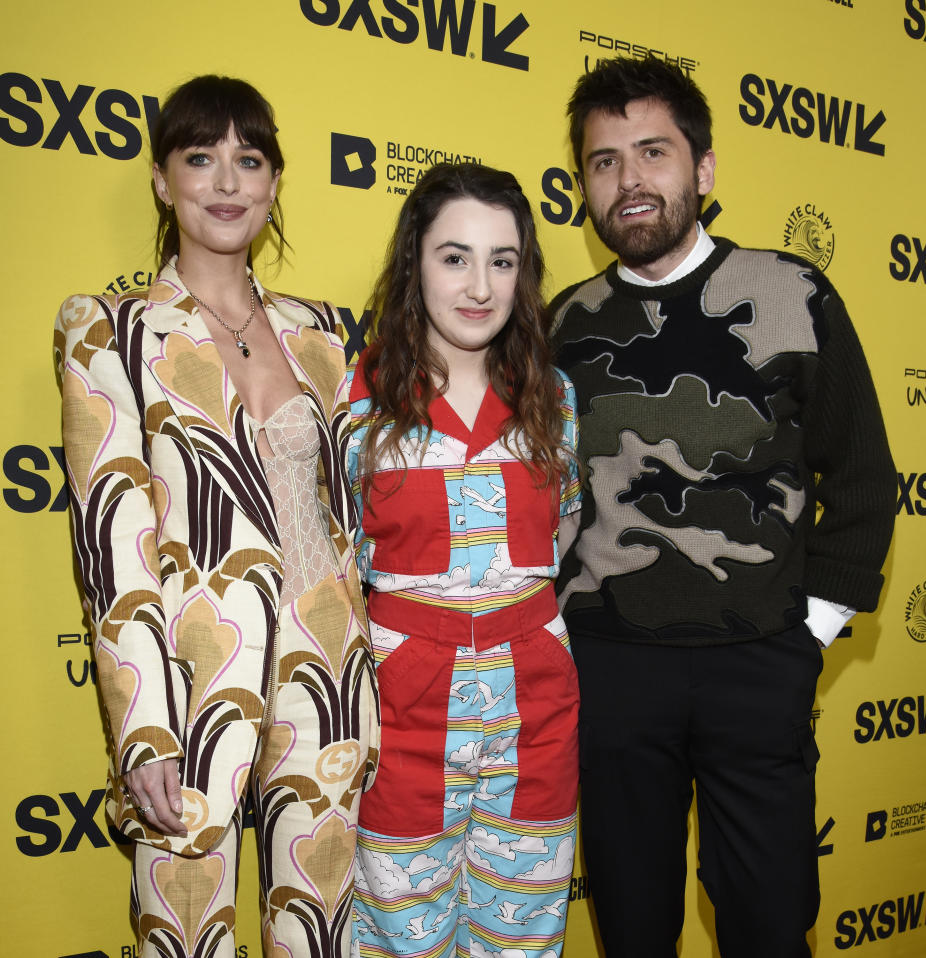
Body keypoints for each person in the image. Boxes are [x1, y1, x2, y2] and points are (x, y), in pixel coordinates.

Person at [550, 57, 896, 957]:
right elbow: (532, 494)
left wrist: (803, 633)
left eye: (653, 152)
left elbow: (861, 473)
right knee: (630, 927)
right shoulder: (562, 324)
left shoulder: (793, 295)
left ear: (702, 170)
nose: (630, 180)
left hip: (757, 667)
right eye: (604, 161)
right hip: (611, 673)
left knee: (771, 924)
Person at [54, 75, 377, 958]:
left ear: (274, 185)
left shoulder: (319, 335)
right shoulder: (108, 330)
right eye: (201, 158)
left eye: (250, 160)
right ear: (163, 181)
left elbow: (349, 507)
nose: (227, 182)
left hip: (332, 664)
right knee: (185, 937)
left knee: (323, 930)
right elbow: (112, 542)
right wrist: (144, 729)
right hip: (194, 683)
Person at [346, 162, 581, 957]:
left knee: (525, 932)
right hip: (403, 711)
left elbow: (565, 543)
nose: (480, 285)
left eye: (502, 260)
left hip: (536, 707)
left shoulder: (557, 398)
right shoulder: (356, 401)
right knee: (399, 936)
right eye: (455, 257)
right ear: (415, 263)